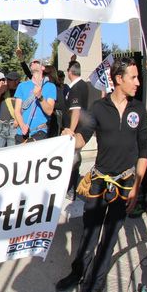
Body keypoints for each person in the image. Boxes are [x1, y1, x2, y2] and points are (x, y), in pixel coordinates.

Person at [56, 57, 147, 292]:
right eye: (133, 77)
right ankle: (77, 273)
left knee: (108, 239)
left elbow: (144, 150)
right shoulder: (98, 108)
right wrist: (68, 137)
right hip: (98, 182)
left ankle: (92, 284)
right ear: (119, 79)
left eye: (138, 77)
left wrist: (136, 186)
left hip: (126, 184)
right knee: (89, 233)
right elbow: (82, 137)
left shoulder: (138, 109)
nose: (138, 82)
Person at [14, 61, 56, 143]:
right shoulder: (22, 86)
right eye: (32, 62)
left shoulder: (51, 86)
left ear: (43, 67)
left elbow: (49, 111)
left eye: (36, 61)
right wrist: (22, 126)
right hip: (21, 133)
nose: (33, 62)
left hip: (39, 132)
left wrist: (40, 96)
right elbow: (17, 110)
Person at [64, 60, 89, 200]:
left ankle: (71, 190)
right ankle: (71, 189)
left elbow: (76, 110)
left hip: (75, 131)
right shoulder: (83, 85)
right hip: (80, 129)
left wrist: (71, 131)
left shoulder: (77, 87)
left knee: (72, 162)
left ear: (70, 72)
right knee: (74, 161)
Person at [0, 71, 20, 148]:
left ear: (17, 81)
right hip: (1, 125)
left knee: (12, 153)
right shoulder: (4, 91)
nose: (7, 82)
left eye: (10, 80)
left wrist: (18, 120)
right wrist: (0, 92)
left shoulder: (21, 91)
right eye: (7, 79)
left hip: (14, 126)